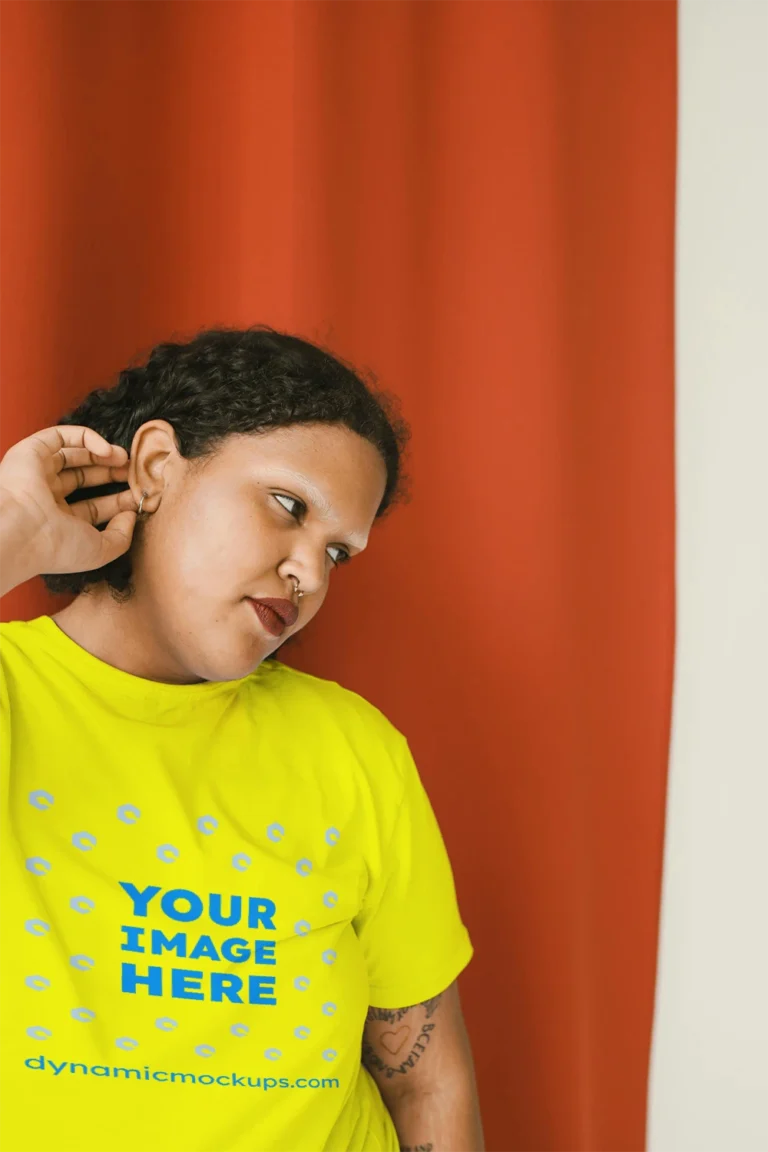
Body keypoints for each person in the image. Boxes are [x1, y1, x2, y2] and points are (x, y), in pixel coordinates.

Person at [0, 327, 484, 1152]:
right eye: (288, 506)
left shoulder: (352, 746)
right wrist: (12, 525)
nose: (311, 574)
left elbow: (428, 1078)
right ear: (157, 466)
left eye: (337, 552)